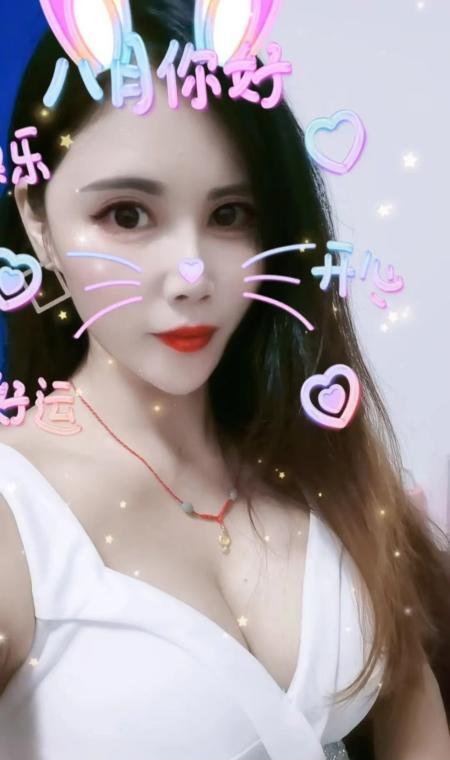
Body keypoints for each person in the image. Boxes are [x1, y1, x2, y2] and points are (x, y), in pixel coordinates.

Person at [0, 1, 448, 758]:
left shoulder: (315, 456)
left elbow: (407, 697)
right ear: (37, 220)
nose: (192, 275)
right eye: (127, 215)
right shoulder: (15, 515)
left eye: (232, 214)